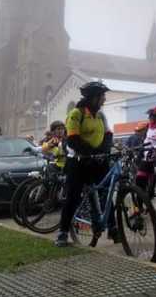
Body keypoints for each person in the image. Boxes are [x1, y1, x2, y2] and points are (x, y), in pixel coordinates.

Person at [56, 80, 115, 247]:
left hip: (98, 160)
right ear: (93, 98)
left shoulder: (101, 115)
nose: (104, 99)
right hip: (78, 161)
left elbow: (108, 135)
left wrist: (103, 151)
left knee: (106, 194)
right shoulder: (76, 114)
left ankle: (113, 227)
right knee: (73, 197)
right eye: (102, 96)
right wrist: (91, 152)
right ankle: (63, 232)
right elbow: (73, 139)